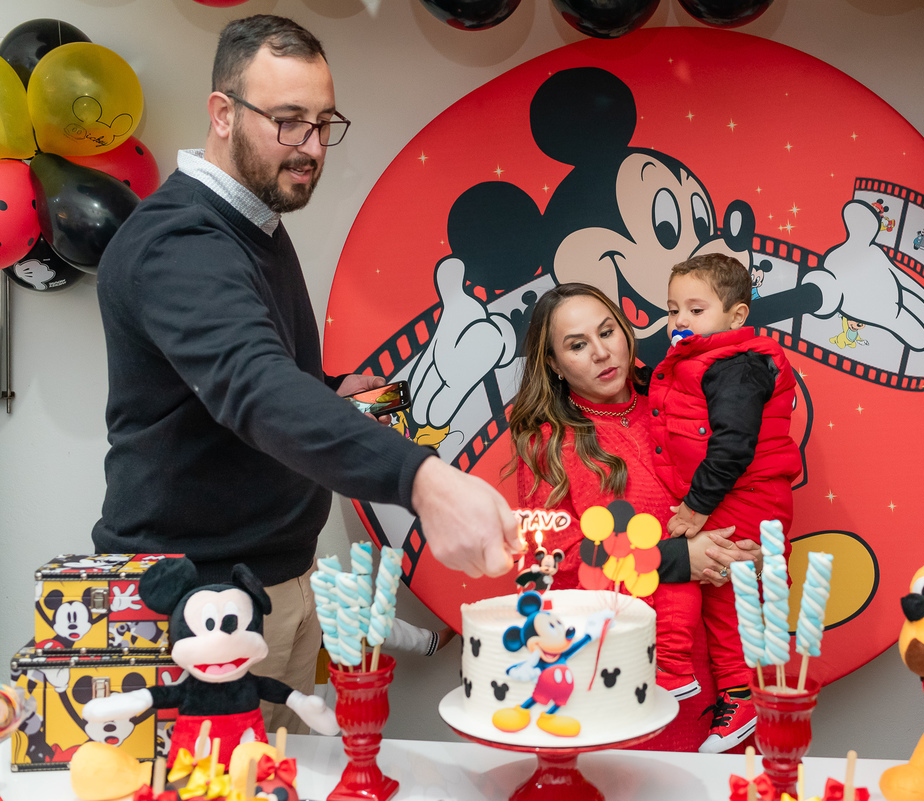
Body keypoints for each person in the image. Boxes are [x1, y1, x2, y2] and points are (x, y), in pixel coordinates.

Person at [92, 15, 518, 731]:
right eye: (289, 122)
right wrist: (424, 481)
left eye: (323, 123)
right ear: (222, 114)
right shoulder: (180, 240)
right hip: (194, 599)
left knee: (279, 773)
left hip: (272, 580)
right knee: (207, 779)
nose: (313, 147)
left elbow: (241, 375)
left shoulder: (252, 222)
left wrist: (326, 392)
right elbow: (253, 385)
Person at [505, 282, 762, 751]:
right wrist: (675, 559)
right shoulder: (547, 443)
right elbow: (553, 563)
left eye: (607, 332)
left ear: (626, 332)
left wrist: (751, 554)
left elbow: (746, 488)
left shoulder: (681, 400)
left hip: (722, 670)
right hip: (623, 664)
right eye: (577, 345)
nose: (601, 353)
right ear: (554, 365)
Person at [648, 252, 805, 752]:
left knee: (728, 594)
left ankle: (741, 698)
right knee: (696, 574)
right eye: (673, 310)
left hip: (746, 496)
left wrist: (694, 507)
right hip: (728, 496)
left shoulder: (738, 364)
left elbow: (733, 446)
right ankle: (677, 670)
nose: (680, 320)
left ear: (737, 316)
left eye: (696, 310)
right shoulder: (697, 362)